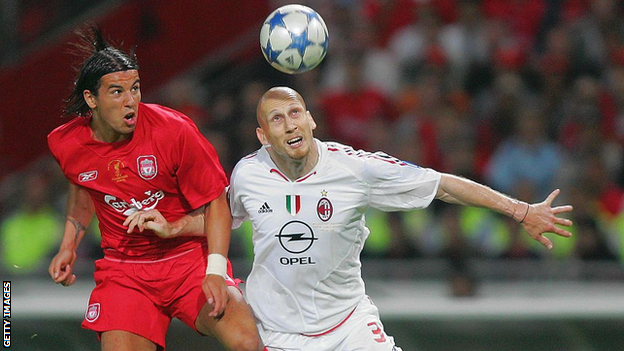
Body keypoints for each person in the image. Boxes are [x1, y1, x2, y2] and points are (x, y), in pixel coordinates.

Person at [137, 86, 574, 350]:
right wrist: (176, 226)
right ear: (262, 135)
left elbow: (441, 183)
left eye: (295, 114)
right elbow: (227, 216)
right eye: (277, 119)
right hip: (276, 332)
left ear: (310, 119)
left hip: (348, 328)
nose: (290, 125)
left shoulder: (356, 169)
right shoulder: (249, 173)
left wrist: (520, 210)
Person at [46, 24, 262, 351]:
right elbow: (85, 185)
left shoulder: (173, 131)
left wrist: (215, 271)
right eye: (117, 92)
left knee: (247, 341)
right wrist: (69, 245)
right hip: (125, 272)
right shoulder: (67, 143)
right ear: (91, 99)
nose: (130, 101)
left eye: (135, 88)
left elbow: (217, 202)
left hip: (188, 260)